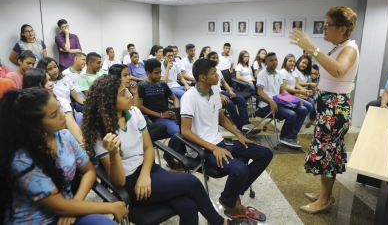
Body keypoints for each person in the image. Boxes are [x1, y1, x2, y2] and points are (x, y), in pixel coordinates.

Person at [81, 75, 243, 225]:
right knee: (192, 182)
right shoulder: (101, 133)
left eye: (127, 90)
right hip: (130, 184)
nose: (130, 95)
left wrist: (145, 174)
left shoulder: (134, 113)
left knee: (189, 206)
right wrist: (114, 153)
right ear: (109, 101)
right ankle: (221, 223)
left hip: (149, 170)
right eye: (123, 93)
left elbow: (148, 148)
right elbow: (118, 182)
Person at [0, 88, 128, 225]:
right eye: (54, 115)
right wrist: (112, 207)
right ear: (34, 125)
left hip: (68, 209)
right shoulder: (22, 160)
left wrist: (74, 205)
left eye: (59, 108)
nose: (62, 115)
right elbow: (58, 206)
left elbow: (89, 171)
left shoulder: (64, 136)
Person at [181, 59, 272, 221]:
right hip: (202, 149)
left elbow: (221, 117)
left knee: (265, 153)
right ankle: (228, 201)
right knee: (240, 169)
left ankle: (232, 196)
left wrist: (239, 135)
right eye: (214, 73)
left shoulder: (215, 91)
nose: (218, 75)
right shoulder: (189, 97)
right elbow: (185, 132)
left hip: (219, 142)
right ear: (202, 77)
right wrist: (214, 148)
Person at [289, 6, 359, 213]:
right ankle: (324, 193)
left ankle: (325, 199)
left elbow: (338, 71)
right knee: (330, 152)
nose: (324, 28)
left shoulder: (350, 48)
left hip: (334, 108)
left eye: (328, 24)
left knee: (328, 153)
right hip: (329, 105)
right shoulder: (339, 47)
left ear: (342, 29)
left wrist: (313, 49)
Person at [134, 59, 184, 170]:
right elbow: (140, 107)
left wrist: (176, 111)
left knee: (189, 129)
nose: (159, 75)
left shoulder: (162, 84)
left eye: (160, 72)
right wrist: (160, 115)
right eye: (156, 73)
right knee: (178, 132)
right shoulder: (142, 86)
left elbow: (174, 98)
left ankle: (183, 156)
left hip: (169, 116)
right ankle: (169, 158)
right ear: (148, 73)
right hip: (156, 119)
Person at [257, 52, 308, 148]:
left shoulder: (278, 73)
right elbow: (260, 91)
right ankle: (283, 137)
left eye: (275, 59)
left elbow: (282, 90)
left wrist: (294, 100)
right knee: (292, 114)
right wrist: (271, 101)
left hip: (279, 101)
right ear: (266, 63)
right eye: (271, 60)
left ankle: (290, 136)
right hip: (266, 104)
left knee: (303, 110)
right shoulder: (262, 74)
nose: (274, 62)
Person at [108, 63, 169, 143]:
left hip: (135, 121)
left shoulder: (127, 90)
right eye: (125, 75)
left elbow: (135, 109)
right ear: (116, 77)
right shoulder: (111, 94)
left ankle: (141, 142)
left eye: (129, 75)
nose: (129, 78)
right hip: (124, 125)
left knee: (161, 127)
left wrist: (135, 93)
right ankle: (141, 143)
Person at [22, 68, 84, 143]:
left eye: (50, 80)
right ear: (33, 85)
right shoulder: (25, 107)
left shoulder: (61, 101)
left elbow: (71, 123)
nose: (51, 84)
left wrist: (84, 142)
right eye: (45, 82)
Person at [208, 51, 260, 134]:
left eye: (217, 58)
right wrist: (220, 95)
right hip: (212, 94)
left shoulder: (217, 69)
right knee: (230, 103)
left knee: (240, 99)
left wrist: (230, 90)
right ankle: (240, 126)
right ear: (208, 59)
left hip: (220, 92)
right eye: (213, 58)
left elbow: (223, 82)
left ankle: (246, 124)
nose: (215, 60)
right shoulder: (207, 71)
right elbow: (208, 88)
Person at [37, 57, 85, 124]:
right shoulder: (46, 85)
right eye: (50, 69)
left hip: (69, 108)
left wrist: (89, 103)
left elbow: (76, 97)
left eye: (55, 67)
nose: (55, 70)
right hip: (57, 112)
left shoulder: (65, 78)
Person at [279, 54, 316, 126]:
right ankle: (296, 124)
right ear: (285, 62)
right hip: (287, 94)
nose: (292, 63)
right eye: (290, 61)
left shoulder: (291, 72)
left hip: (293, 93)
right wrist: (299, 92)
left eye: (293, 61)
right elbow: (284, 88)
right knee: (308, 106)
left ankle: (297, 123)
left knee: (311, 102)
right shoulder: (283, 72)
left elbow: (295, 84)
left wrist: (305, 91)